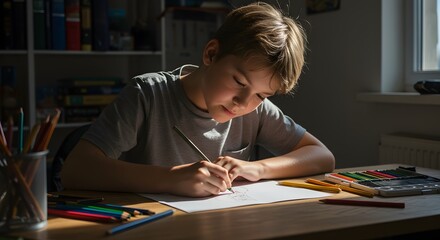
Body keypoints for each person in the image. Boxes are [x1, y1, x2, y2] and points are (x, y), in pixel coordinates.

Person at [61, 2, 335, 197]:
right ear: (211, 54)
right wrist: (170, 178)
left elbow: (322, 156)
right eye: (239, 82)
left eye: (262, 94)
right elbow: (75, 169)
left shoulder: (256, 110)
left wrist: (258, 168)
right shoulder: (147, 95)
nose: (242, 102)